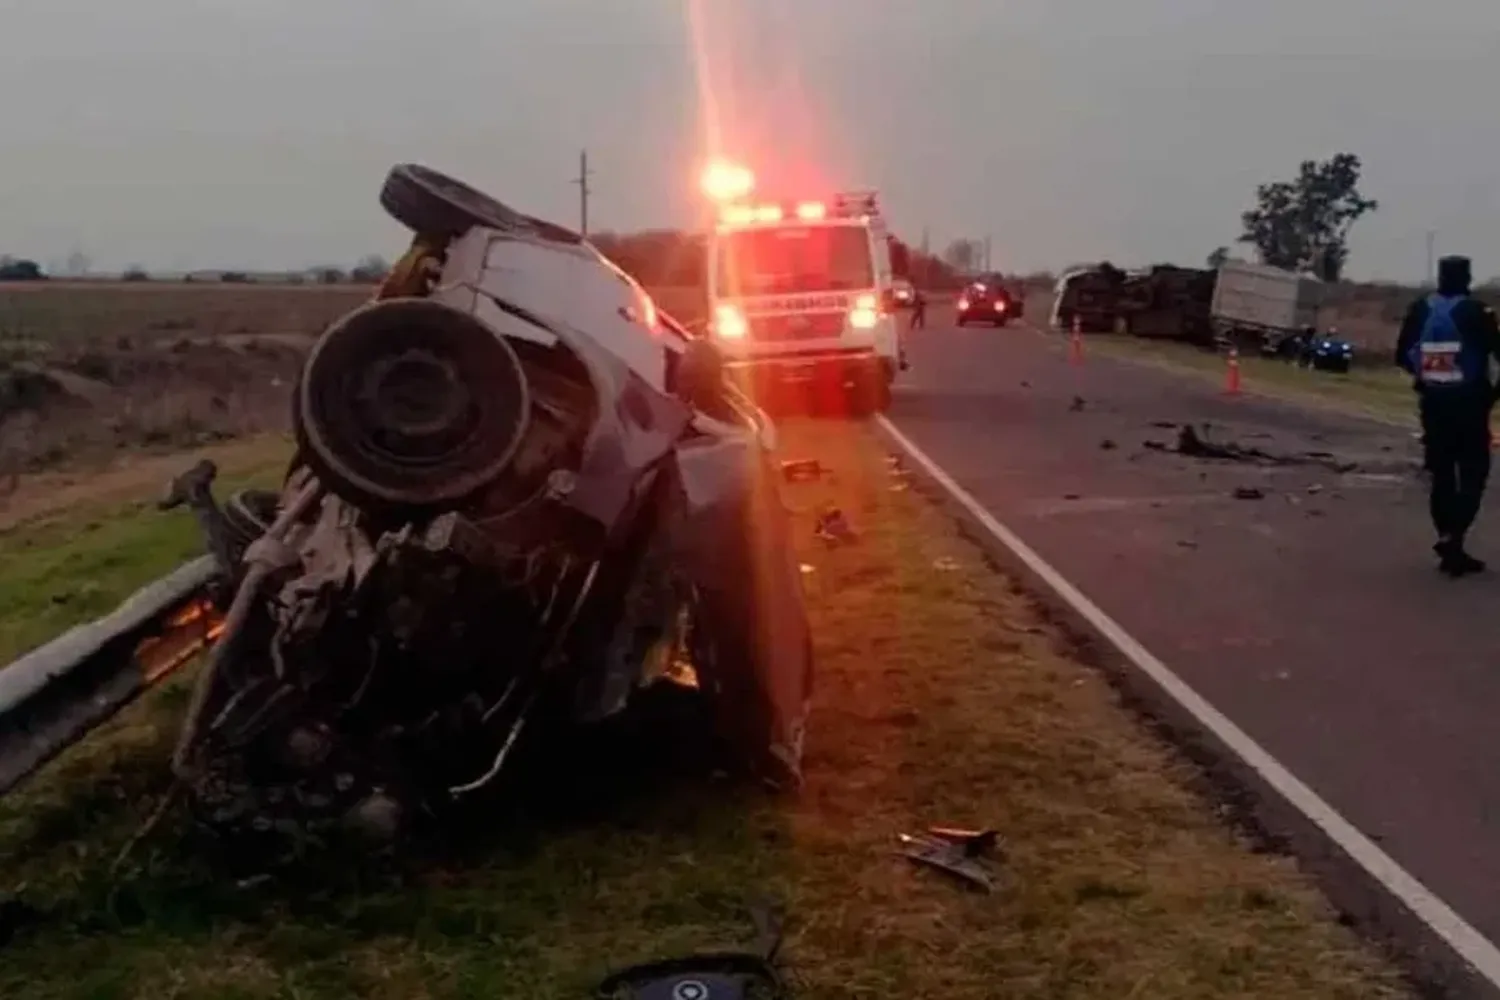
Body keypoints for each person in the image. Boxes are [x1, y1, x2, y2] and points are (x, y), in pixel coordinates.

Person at [1395, 255, 1500, 576]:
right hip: (1469, 403)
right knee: (1473, 471)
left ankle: (1447, 538)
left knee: (1440, 472)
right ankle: (1455, 535)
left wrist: (1426, 376)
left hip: (1433, 402)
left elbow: (1402, 354)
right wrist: (1491, 395)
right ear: (1466, 278)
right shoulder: (1476, 312)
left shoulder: (1420, 309)